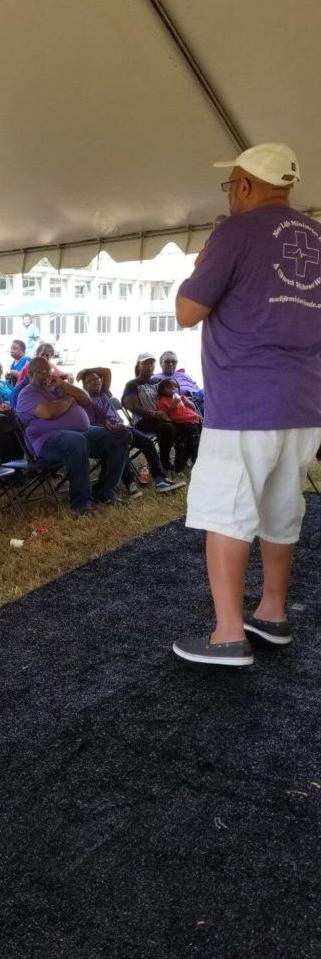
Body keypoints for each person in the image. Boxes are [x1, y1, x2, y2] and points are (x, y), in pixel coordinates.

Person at [172, 142, 321, 667]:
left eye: (229, 186)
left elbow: (188, 310)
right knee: (283, 508)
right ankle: (272, 613)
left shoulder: (233, 232)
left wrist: (199, 267)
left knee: (227, 514)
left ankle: (228, 634)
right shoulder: (318, 238)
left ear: (244, 186)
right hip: (305, 404)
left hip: (245, 402)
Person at [16, 357, 128, 516]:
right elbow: (48, 413)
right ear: (30, 375)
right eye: (41, 372)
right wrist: (69, 399)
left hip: (82, 431)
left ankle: (104, 492)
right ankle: (81, 503)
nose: (47, 374)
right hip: (45, 440)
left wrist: (64, 385)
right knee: (76, 441)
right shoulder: (27, 394)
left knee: (119, 436)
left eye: (48, 370)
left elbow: (86, 399)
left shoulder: (58, 387)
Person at [78, 368, 183, 495]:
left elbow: (107, 372)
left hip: (124, 428)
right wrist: (108, 426)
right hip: (107, 434)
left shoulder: (104, 392)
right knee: (120, 446)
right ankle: (130, 484)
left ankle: (160, 480)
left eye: (97, 379)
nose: (96, 382)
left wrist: (86, 371)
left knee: (147, 443)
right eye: (91, 381)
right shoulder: (86, 400)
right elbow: (90, 425)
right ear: (84, 386)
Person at [122, 353, 179, 475]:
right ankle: (164, 461)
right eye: (145, 363)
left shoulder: (158, 381)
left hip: (163, 416)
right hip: (143, 420)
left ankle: (183, 459)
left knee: (184, 424)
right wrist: (153, 413)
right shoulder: (132, 384)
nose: (149, 366)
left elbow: (170, 395)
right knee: (167, 427)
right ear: (138, 366)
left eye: (152, 363)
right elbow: (132, 406)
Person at [155, 378, 201, 470]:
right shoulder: (163, 401)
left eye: (175, 386)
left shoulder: (182, 398)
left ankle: (195, 463)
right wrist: (173, 405)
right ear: (162, 390)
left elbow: (193, 407)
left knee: (195, 444)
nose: (173, 388)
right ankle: (179, 467)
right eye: (169, 387)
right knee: (181, 445)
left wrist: (186, 401)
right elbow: (164, 414)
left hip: (193, 422)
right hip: (179, 424)